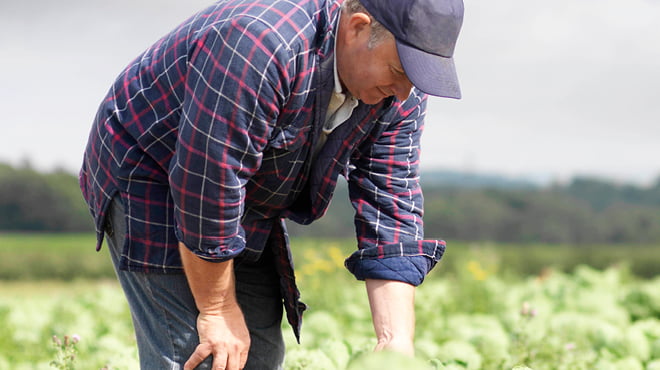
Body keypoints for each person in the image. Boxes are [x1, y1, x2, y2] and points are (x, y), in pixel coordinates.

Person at [79, 0, 464, 368]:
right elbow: (209, 184)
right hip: (153, 172)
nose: (404, 93)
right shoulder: (260, 47)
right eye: (398, 73)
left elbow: (390, 201)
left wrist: (394, 342)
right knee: (201, 353)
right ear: (357, 28)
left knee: (257, 354)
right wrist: (216, 310)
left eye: (415, 79)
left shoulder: (401, 94)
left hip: (246, 193)